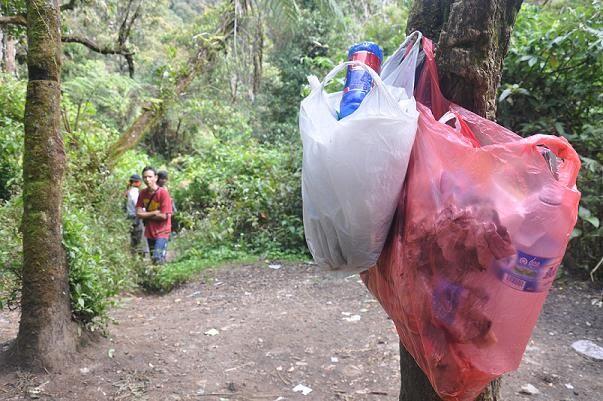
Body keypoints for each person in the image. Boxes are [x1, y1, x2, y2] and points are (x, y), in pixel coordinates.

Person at [136, 166, 173, 264]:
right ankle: (158, 277)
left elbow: (163, 216)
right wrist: (154, 212)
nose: (147, 179)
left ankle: (164, 277)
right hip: (150, 232)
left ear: (156, 178)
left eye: (150, 177)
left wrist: (145, 214)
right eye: (145, 177)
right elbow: (138, 213)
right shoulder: (142, 193)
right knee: (154, 259)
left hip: (162, 231)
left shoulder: (163, 193)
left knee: (157, 257)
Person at [125, 174, 148, 256]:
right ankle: (139, 261)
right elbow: (138, 205)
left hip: (132, 219)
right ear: (137, 182)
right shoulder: (134, 192)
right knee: (139, 241)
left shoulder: (130, 191)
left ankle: (134, 259)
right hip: (136, 219)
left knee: (134, 240)